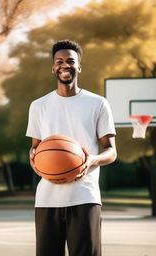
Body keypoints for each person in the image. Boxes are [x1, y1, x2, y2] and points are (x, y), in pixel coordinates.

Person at [26, 39, 117, 256]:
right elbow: (35, 149)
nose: (64, 65)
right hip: (47, 198)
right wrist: (34, 158)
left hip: (85, 196)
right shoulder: (38, 106)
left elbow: (111, 151)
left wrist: (92, 160)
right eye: (59, 61)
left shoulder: (98, 103)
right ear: (53, 67)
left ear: (79, 67)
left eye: (70, 61)